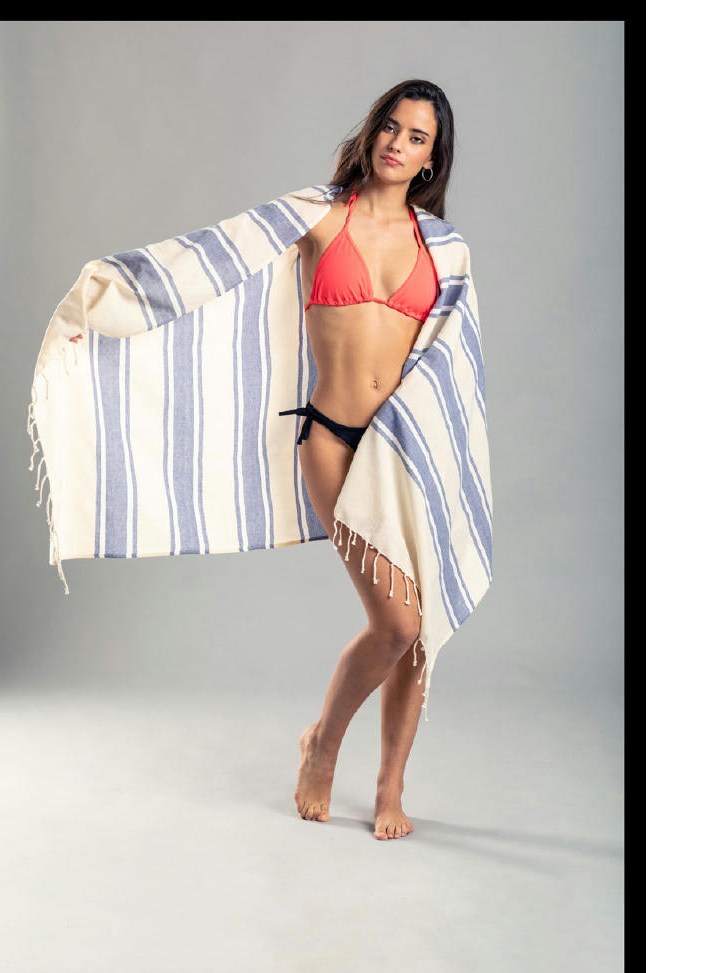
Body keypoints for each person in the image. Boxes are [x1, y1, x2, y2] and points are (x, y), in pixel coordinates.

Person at [287, 79, 453, 840]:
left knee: (419, 629)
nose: (398, 143)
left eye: (417, 137)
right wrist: (108, 316)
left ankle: (391, 787)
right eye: (391, 126)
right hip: (332, 438)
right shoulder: (318, 216)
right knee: (394, 621)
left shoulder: (443, 248)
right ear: (373, 131)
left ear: (430, 159)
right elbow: (213, 271)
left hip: (403, 454)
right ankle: (322, 744)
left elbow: (454, 363)